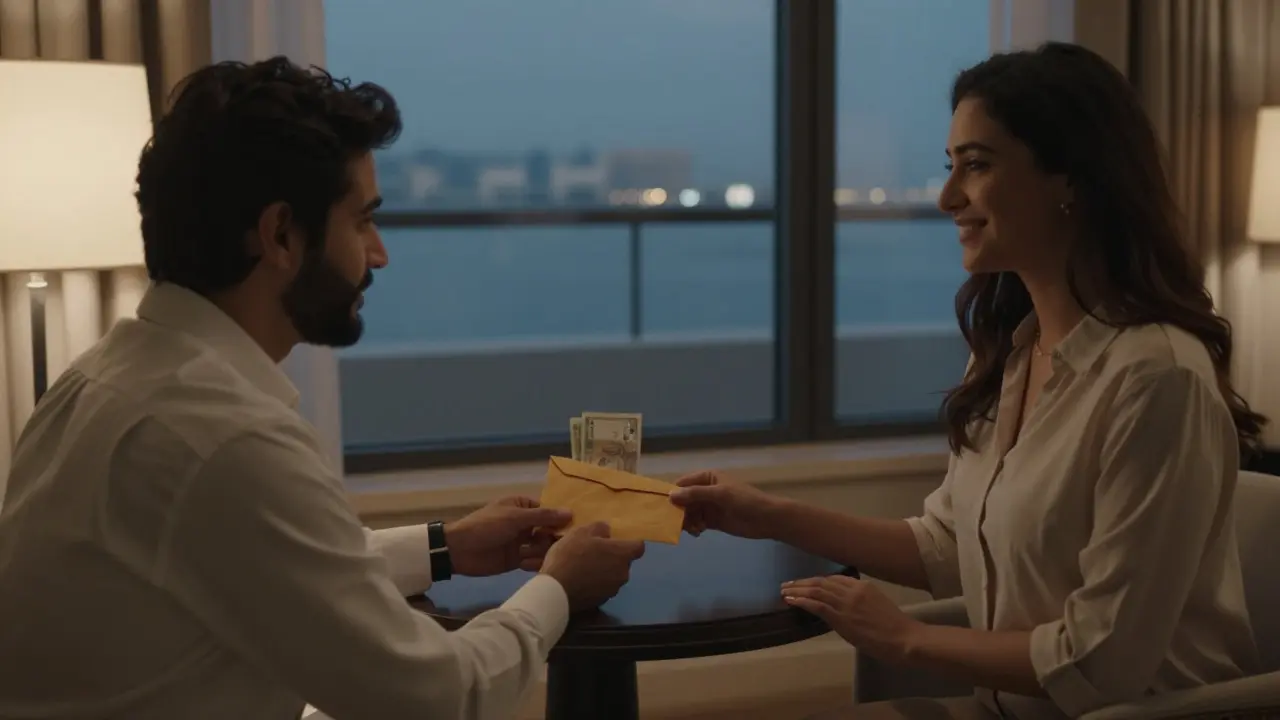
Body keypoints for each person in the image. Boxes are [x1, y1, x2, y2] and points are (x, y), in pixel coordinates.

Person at [0, 56, 645, 720]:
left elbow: (263, 565)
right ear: (281, 234)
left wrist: (444, 548)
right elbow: (438, 696)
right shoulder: (225, 440)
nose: (379, 252)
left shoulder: (99, 381)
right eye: (363, 220)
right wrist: (559, 589)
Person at [671, 42, 1265, 720]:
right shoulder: (1011, 359)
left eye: (976, 166)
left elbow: (1102, 662)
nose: (949, 197)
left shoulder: (1158, 379)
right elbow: (946, 548)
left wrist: (907, 639)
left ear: (1072, 179)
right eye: (949, 167)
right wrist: (766, 515)